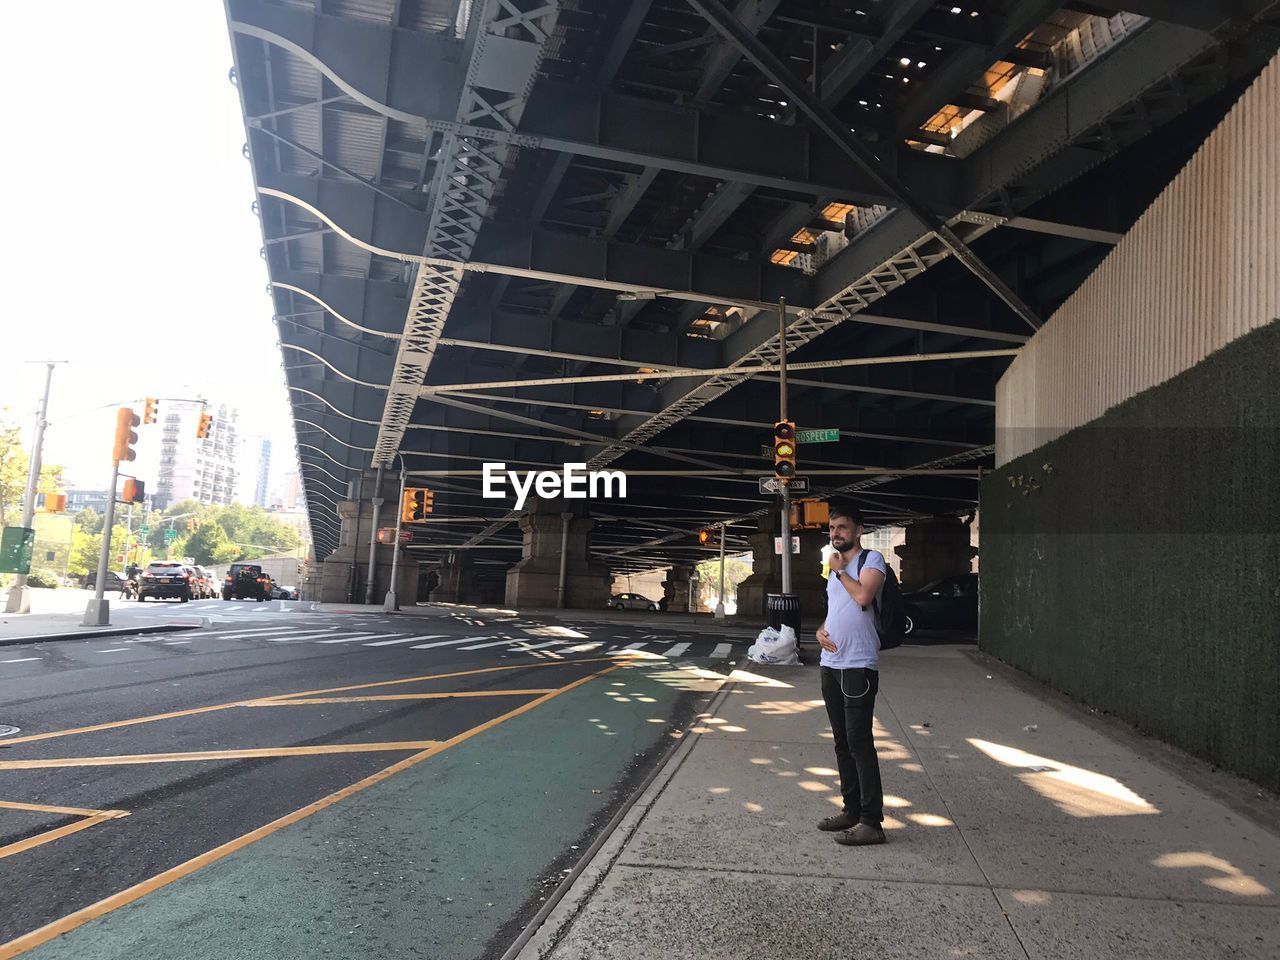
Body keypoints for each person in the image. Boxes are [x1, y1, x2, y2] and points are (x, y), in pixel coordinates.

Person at [815, 502, 887, 846]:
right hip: (831, 664)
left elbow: (862, 596)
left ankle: (872, 822)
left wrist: (840, 569)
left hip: (858, 664)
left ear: (859, 530)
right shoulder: (832, 568)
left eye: (842, 528)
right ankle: (851, 810)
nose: (835, 534)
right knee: (842, 741)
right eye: (831, 529)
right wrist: (820, 630)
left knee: (860, 741)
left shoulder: (871, 560)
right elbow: (838, 609)